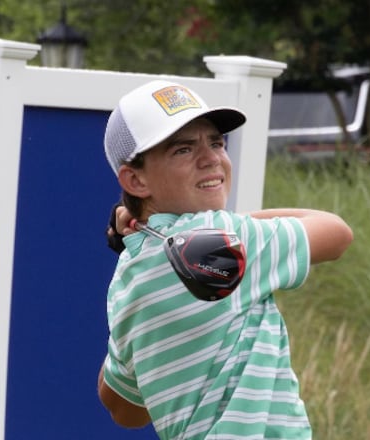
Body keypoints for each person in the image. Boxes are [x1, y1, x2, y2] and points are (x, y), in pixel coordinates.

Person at [97, 79, 353, 439]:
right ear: (135, 180)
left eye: (216, 142)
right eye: (183, 149)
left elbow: (124, 409)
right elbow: (336, 233)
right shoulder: (225, 238)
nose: (211, 158)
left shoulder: (128, 279)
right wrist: (235, 226)